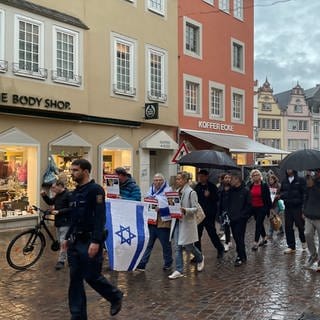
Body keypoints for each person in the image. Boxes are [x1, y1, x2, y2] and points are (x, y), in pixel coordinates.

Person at [62, 159, 123, 319]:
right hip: (75, 241)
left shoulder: (95, 190)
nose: (72, 173)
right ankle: (77, 316)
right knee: (75, 280)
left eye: (75, 170)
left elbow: (100, 217)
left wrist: (96, 241)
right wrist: (67, 237)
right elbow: (74, 218)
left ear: (85, 171)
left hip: (89, 240)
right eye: (71, 170)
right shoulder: (74, 193)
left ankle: (115, 295)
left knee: (91, 276)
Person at [168, 171, 204, 279]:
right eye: (177, 179)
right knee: (177, 246)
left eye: (179, 179)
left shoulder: (191, 192)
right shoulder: (176, 191)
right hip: (177, 221)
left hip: (186, 222)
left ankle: (200, 257)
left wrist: (185, 210)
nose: (177, 181)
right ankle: (179, 270)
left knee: (188, 246)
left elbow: (195, 208)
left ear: (185, 180)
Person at [136, 173, 173, 271]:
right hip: (151, 222)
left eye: (160, 180)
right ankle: (142, 264)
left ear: (163, 181)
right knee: (148, 244)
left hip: (163, 222)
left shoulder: (169, 191)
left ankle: (168, 263)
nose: (157, 182)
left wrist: (160, 209)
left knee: (165, 245)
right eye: (156, 180)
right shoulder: (150, 190)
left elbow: (173, 207)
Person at [41, 179, 71, 270]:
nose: (53, 189)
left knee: (63, 242)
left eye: (54, 187)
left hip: (66, 222)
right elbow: (51, 202)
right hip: (58, 222)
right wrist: (44, 196)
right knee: (62, 242)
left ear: (61, 186)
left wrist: (59, 212)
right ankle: (71, 258)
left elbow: (71, 209)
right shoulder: (58, 195)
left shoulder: (68, 195)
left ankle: (61, 261)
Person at [194, 169, 224, 258]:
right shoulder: (197, 187)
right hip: (199, 215)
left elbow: (217, 199)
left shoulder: (212, 186)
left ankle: (220, 248)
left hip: (209, 215)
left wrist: (210, 195)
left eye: (202, 176)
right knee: (197, 235)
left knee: (212, 233)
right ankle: (198, 254)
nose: (200, 178)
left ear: (206, 177)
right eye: (199, 176)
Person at [280, 169, 306, 254]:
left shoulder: (300, 180)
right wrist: (283, 196)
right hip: (288, 207)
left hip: (297, 207)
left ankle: (303, 240)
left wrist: (303, 207)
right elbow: (282, 192)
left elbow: (304, 194)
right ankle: (291, 246)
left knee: (300, 225)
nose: (288, 170)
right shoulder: (284, 181)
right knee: (288, 227)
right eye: (287, 169)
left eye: (290, 169)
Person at [227, 172, 251, 266]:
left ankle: (240, 256)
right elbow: (228, 203)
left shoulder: (245, 191)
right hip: (232, 218)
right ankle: (242, 255)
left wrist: (243, 216)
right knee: (237, 238)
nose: (230, 181)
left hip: (241, 219)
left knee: (239, 237)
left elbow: (249, 205)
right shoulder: (231, 191)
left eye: (232, 179)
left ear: (237, 180)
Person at [248, 169, 272, 251]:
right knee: (260, 223)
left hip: (263, 207)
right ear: (251, 177)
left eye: (257, 175)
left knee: (258, 223)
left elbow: (268, 198)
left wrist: (270, 209)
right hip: (254, 208)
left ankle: (255, 242)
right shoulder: (251, 185)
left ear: (260, 176)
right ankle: (265, 237)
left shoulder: (264, 185)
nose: (255, 177)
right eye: (254, 175)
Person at [303, 170, 320, 270]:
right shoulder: (310, 182)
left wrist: (316, 185)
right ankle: (313, 255)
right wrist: (304, 209)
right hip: (309, 214)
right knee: (307, 234)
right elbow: (305, 197)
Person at [217, 173, 232, 252]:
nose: (228, 179)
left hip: (232, 210)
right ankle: (227, 242)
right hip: (223, 210)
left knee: (233, 227)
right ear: (223, 179)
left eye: (229, 177)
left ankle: (230, 241)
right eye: (226, 177)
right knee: (226, 227)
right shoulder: (220, 188)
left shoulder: (233, 188)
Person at [267, 174, 284, 238]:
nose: (270, 181)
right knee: (276, 218)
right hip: (271, 205)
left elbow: (282, 193)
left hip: (277, 204)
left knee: (272, 218)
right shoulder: (268, 186)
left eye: (271, 180)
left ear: (274, 179)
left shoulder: (279, 186)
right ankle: (281, 230)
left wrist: (278, 196)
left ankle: (270, 233)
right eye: (269, 180)